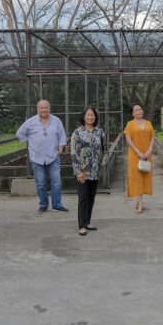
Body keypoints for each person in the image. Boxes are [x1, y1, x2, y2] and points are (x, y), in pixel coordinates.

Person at [16, 100, 68, 213]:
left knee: (57, 182)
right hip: (37, 157)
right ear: (37, 109)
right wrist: (28, 141)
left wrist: (59, 150)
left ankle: (57, 204)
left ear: (49, 109)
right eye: (41, 108)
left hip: (53, 157)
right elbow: (19, 133)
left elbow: (62, 137)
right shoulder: (30, 122)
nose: (44, 110)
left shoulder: (56, 121)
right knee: (40, 183)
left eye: (46, 108)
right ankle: (43, 205)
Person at [71, 107, 105, 236]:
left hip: (95, 170)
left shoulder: (100, 132)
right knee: (83, 197)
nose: (90, 117)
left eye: (92, 115)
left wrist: (99, 166)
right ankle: (82, 225)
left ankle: (88, 222)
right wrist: (78, 171)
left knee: (91, 197)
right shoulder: (78, 133)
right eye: (88, 115)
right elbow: (74, 153)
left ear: (95, 117)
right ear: (84, 117)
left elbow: (102, 149)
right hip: (83, 171)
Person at [124, 103, 155, 213]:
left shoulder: (148, 123)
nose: (139, 111)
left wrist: (149, 151)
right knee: (136, 178)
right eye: (136, 110)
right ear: (133, 113)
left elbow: (152, 138)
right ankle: (140, 204)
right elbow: (128, 140)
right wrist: (138, 152)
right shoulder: (130, 124)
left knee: (144, 178)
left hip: (146, 155)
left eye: (140, 109)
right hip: (135, 155)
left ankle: (139, 202)